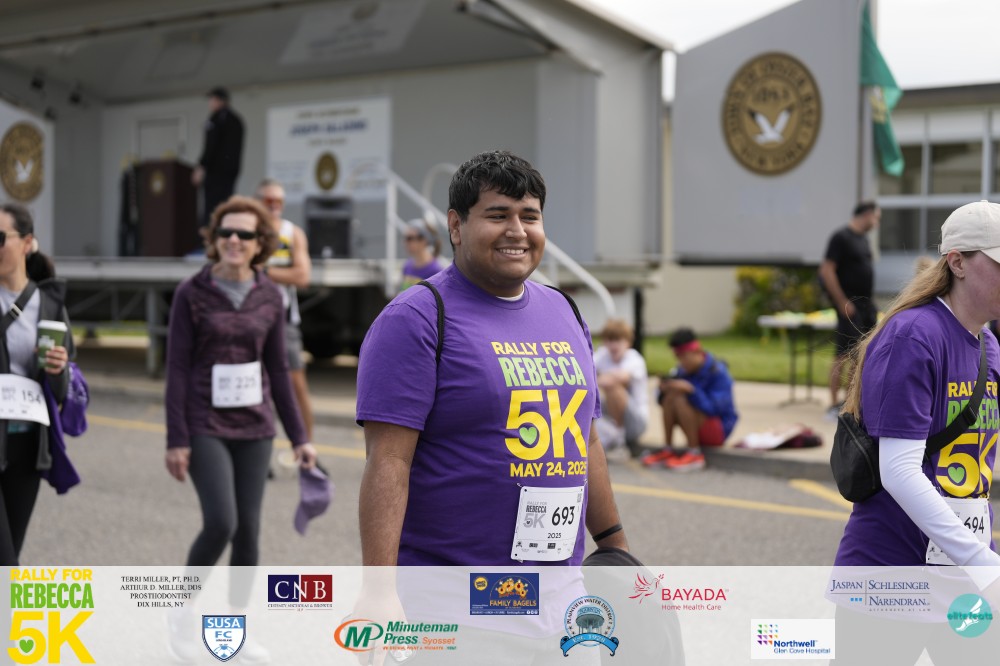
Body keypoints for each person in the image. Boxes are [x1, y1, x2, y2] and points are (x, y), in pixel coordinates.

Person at [356, 150, 628, 567]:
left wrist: (615, 546)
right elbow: (388, 462)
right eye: (498, 215)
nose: (517, 231)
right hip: (451, 588)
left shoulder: (565, 311)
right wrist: (379, 588)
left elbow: (585, 440)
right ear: (456, 226)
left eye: (530, 217)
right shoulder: (415, 318)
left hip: (558, 586)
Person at [832, 200, 1000, 661]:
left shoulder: (987, 343)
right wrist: (982, 562)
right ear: (958, 262)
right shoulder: (914, 335)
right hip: (891, 575)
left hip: (962, 576)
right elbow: (900, 470)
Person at [163, 196, 317, 663]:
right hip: (204, 422)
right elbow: (177, 368)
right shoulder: (192, 292)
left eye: (245, 234)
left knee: (248, 530)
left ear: (260, 243)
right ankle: (181, 613)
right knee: (221, 522)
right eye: (226, 232)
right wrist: (176, 439)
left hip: (255, 426)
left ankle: (234, 630)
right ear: (214, 239)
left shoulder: (269, 295)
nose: (234, 239)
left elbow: (278, 370)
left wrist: (300, 437)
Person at [0, 203, 72, 565]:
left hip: (27, 445)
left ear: (27, 242)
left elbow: (59, 395)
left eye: (0, 238)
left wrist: (58, 370)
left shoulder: (50, 305)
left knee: (10, 560)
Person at [256, 178, 315, 442]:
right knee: (256, 384)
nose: (274, 206)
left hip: (284, 320)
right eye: (269, 200)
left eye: (279, 201)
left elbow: (303, 276)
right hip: (251, 317)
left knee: (296, 384)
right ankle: (258, 447)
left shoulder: (292, 233)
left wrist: (264, 271)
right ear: (258, 202)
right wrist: (283, 273)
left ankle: (307, 449)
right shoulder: (248, 231)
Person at [641, 328, 738, 471]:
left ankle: (695, 454)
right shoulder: (682, 371)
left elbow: (715, 409)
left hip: (718, 430)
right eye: (678, 358)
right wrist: (664, 390)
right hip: (696, 426)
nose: (681, 362)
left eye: (683, 357)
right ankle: (668, 449)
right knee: (673, 395)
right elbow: (664, 403)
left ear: (697, 351)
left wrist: (691, 390)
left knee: (680, 398)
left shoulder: (718, 373)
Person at [819, 200, 880, 418]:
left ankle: (850, 403)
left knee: (860, 355)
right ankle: (834, 403)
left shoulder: (863, 240)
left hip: (865, 307)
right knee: (843, 354)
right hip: (849, 306)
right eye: (876, 217)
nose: (877, 222)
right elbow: (826, 270)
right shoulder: (841, 237)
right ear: (867, 214)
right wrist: (842, 301)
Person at [593, 318, 648, 458]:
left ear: (628, 342)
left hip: (635, 422)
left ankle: (620, 442)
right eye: (610, 340)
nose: (613, 345)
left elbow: (617, 379)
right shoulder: (602, 355)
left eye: (618, 340)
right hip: (610, 416)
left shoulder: (635, 359)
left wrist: (598, 378)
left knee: (613, 388)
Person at [192, 87, 245, 229]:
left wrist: (201, 166)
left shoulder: (216, 119)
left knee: (212, 210)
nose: (210, 103)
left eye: (213, 99)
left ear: (221, 101)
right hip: (230, 174)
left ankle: (210, 236)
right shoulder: (236, 120)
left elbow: (211, 146)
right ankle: (224, 232)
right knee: (225, 206)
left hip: (216, 174)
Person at [399, 217, 444, 290]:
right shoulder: (407, 266)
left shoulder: (436, 270)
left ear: (424, 240)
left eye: (409, 238)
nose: (405, 242)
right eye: (405, 238)